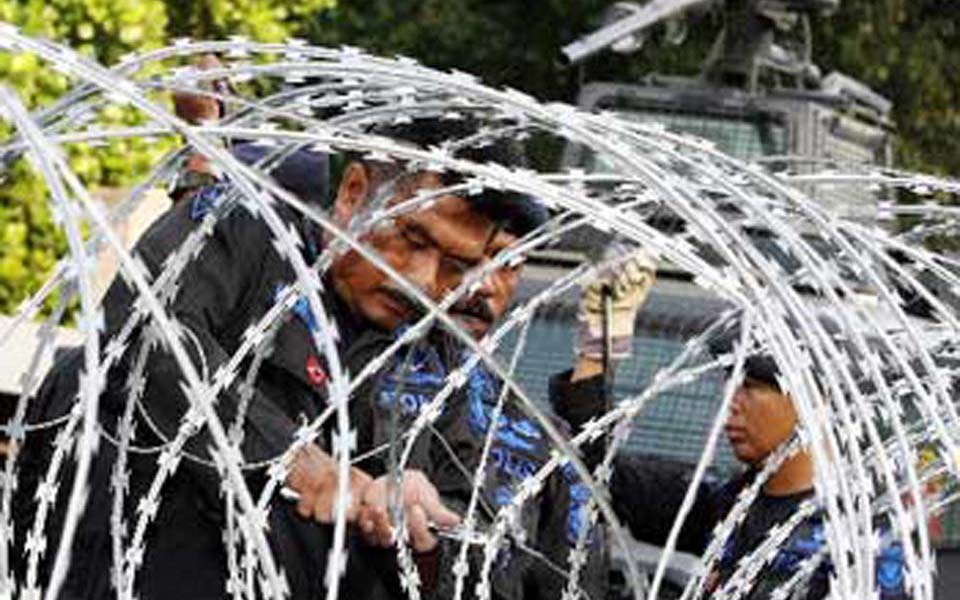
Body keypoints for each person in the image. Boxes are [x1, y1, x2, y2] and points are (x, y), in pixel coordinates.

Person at [11, 114, 549, 599]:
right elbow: (149, 339)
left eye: (456, 265)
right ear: (355, 192)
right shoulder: (241, 233)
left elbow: (487, 551)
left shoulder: (444, 368)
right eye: (412, 238)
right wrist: (295, 462)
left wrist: (420, 533)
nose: (423, 281)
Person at [341, 243, 657, 600]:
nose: (484, 284)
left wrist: (599, 346)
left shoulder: (528, 426)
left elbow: (594, 481)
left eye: (510, 264)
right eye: (466, 259)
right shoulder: (363, 371)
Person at [608, 339, 909, 600]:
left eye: (750, 388)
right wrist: (599, 347)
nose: (731, 404)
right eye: (730, 387)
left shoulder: (859, 537)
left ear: (815, 399)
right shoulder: (733, 504)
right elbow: (609, 473)